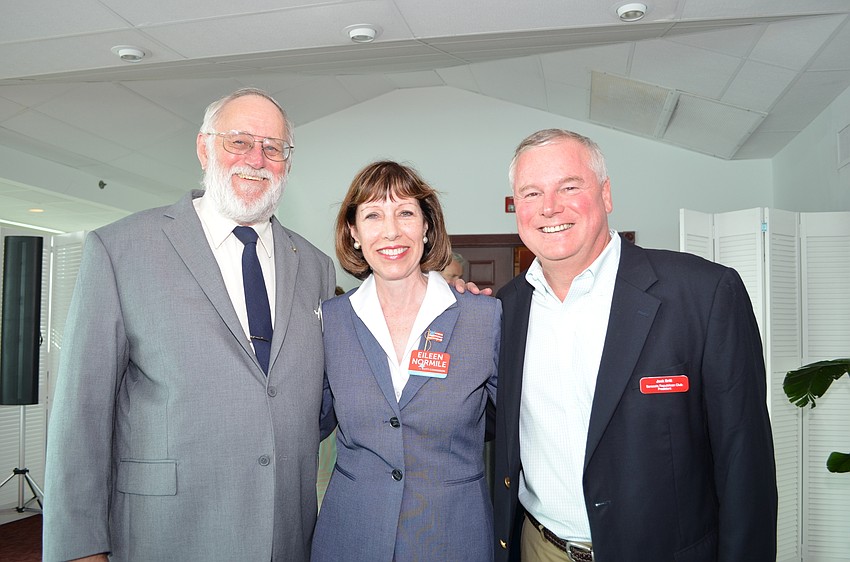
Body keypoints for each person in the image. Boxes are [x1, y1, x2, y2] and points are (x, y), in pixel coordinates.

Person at [42, 88, 336, 562]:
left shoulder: (317, 267)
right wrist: (79, 547)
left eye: (272, 147)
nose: (256, 159)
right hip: (165, 534)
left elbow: (315, 398)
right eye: (238, 141)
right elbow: (81, 415)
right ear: (204, 147)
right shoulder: (120, 250)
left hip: (284, 535)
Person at [493, 129, 777, 561]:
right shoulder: (505, 308)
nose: (549, 207)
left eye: (569, 187)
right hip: (539, 549)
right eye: (531, 193)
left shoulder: (703, 293)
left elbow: (745, 464)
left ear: (606, 195)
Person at [312, 161, 500, 561]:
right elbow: (312, 421)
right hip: (351, 537)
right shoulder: (331, 321)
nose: (391, 231)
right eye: (373, 215)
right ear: (354, 232)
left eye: (406, 213)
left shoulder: (483, 318)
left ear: (427, 227)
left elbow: (514, 424)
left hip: (451, 537)